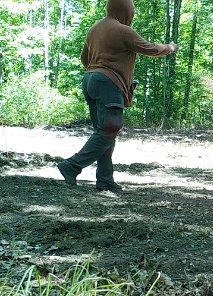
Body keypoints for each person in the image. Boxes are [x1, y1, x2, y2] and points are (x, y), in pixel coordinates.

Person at [57, 0, 178, 191]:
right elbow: (151, 49)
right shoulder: (123, 30)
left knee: (104, 132)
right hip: (107, 83)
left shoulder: (95, 28)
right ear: (125, 9)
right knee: (110, 129)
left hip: (90, 80)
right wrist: (170, 48)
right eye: (131, 11)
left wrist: (98, 71)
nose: (132, 15)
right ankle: (71, 166)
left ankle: (104, 181)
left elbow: (84, 59)